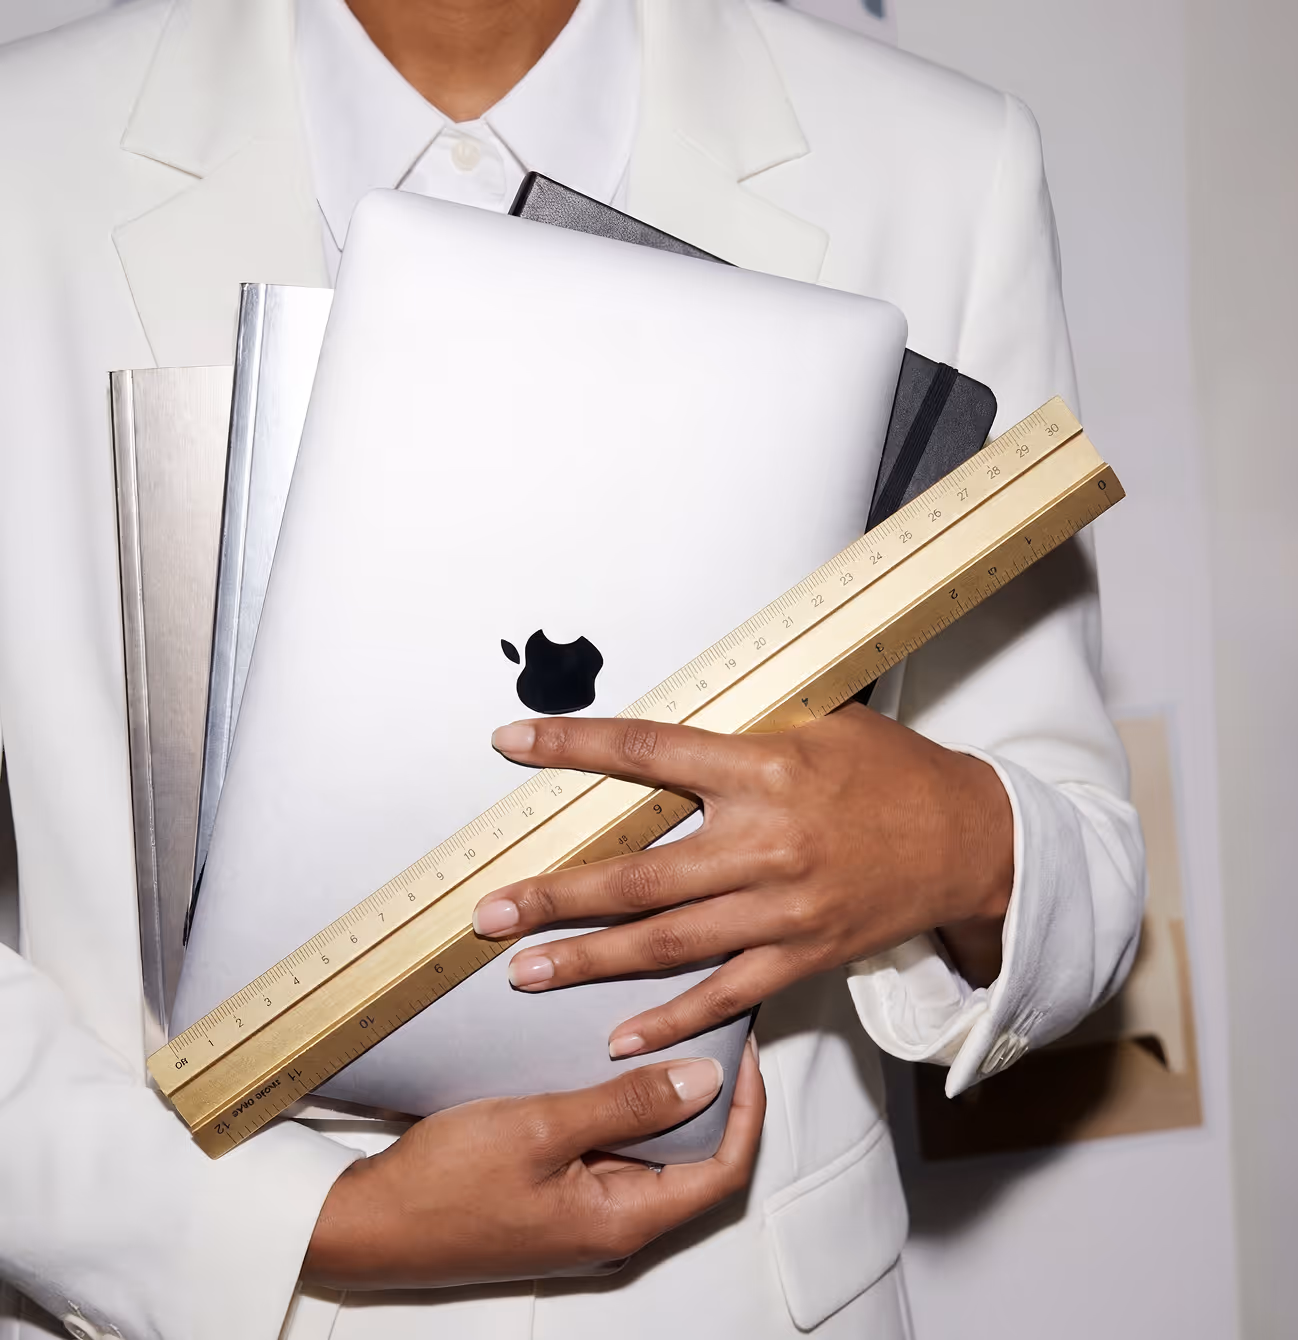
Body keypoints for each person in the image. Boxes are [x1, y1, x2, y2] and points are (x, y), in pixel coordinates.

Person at [0, 1, 1145, 1337]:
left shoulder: (938, 160)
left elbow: (1078, 856)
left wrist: (953, 843)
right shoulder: (27, 151)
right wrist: (283, 1234)